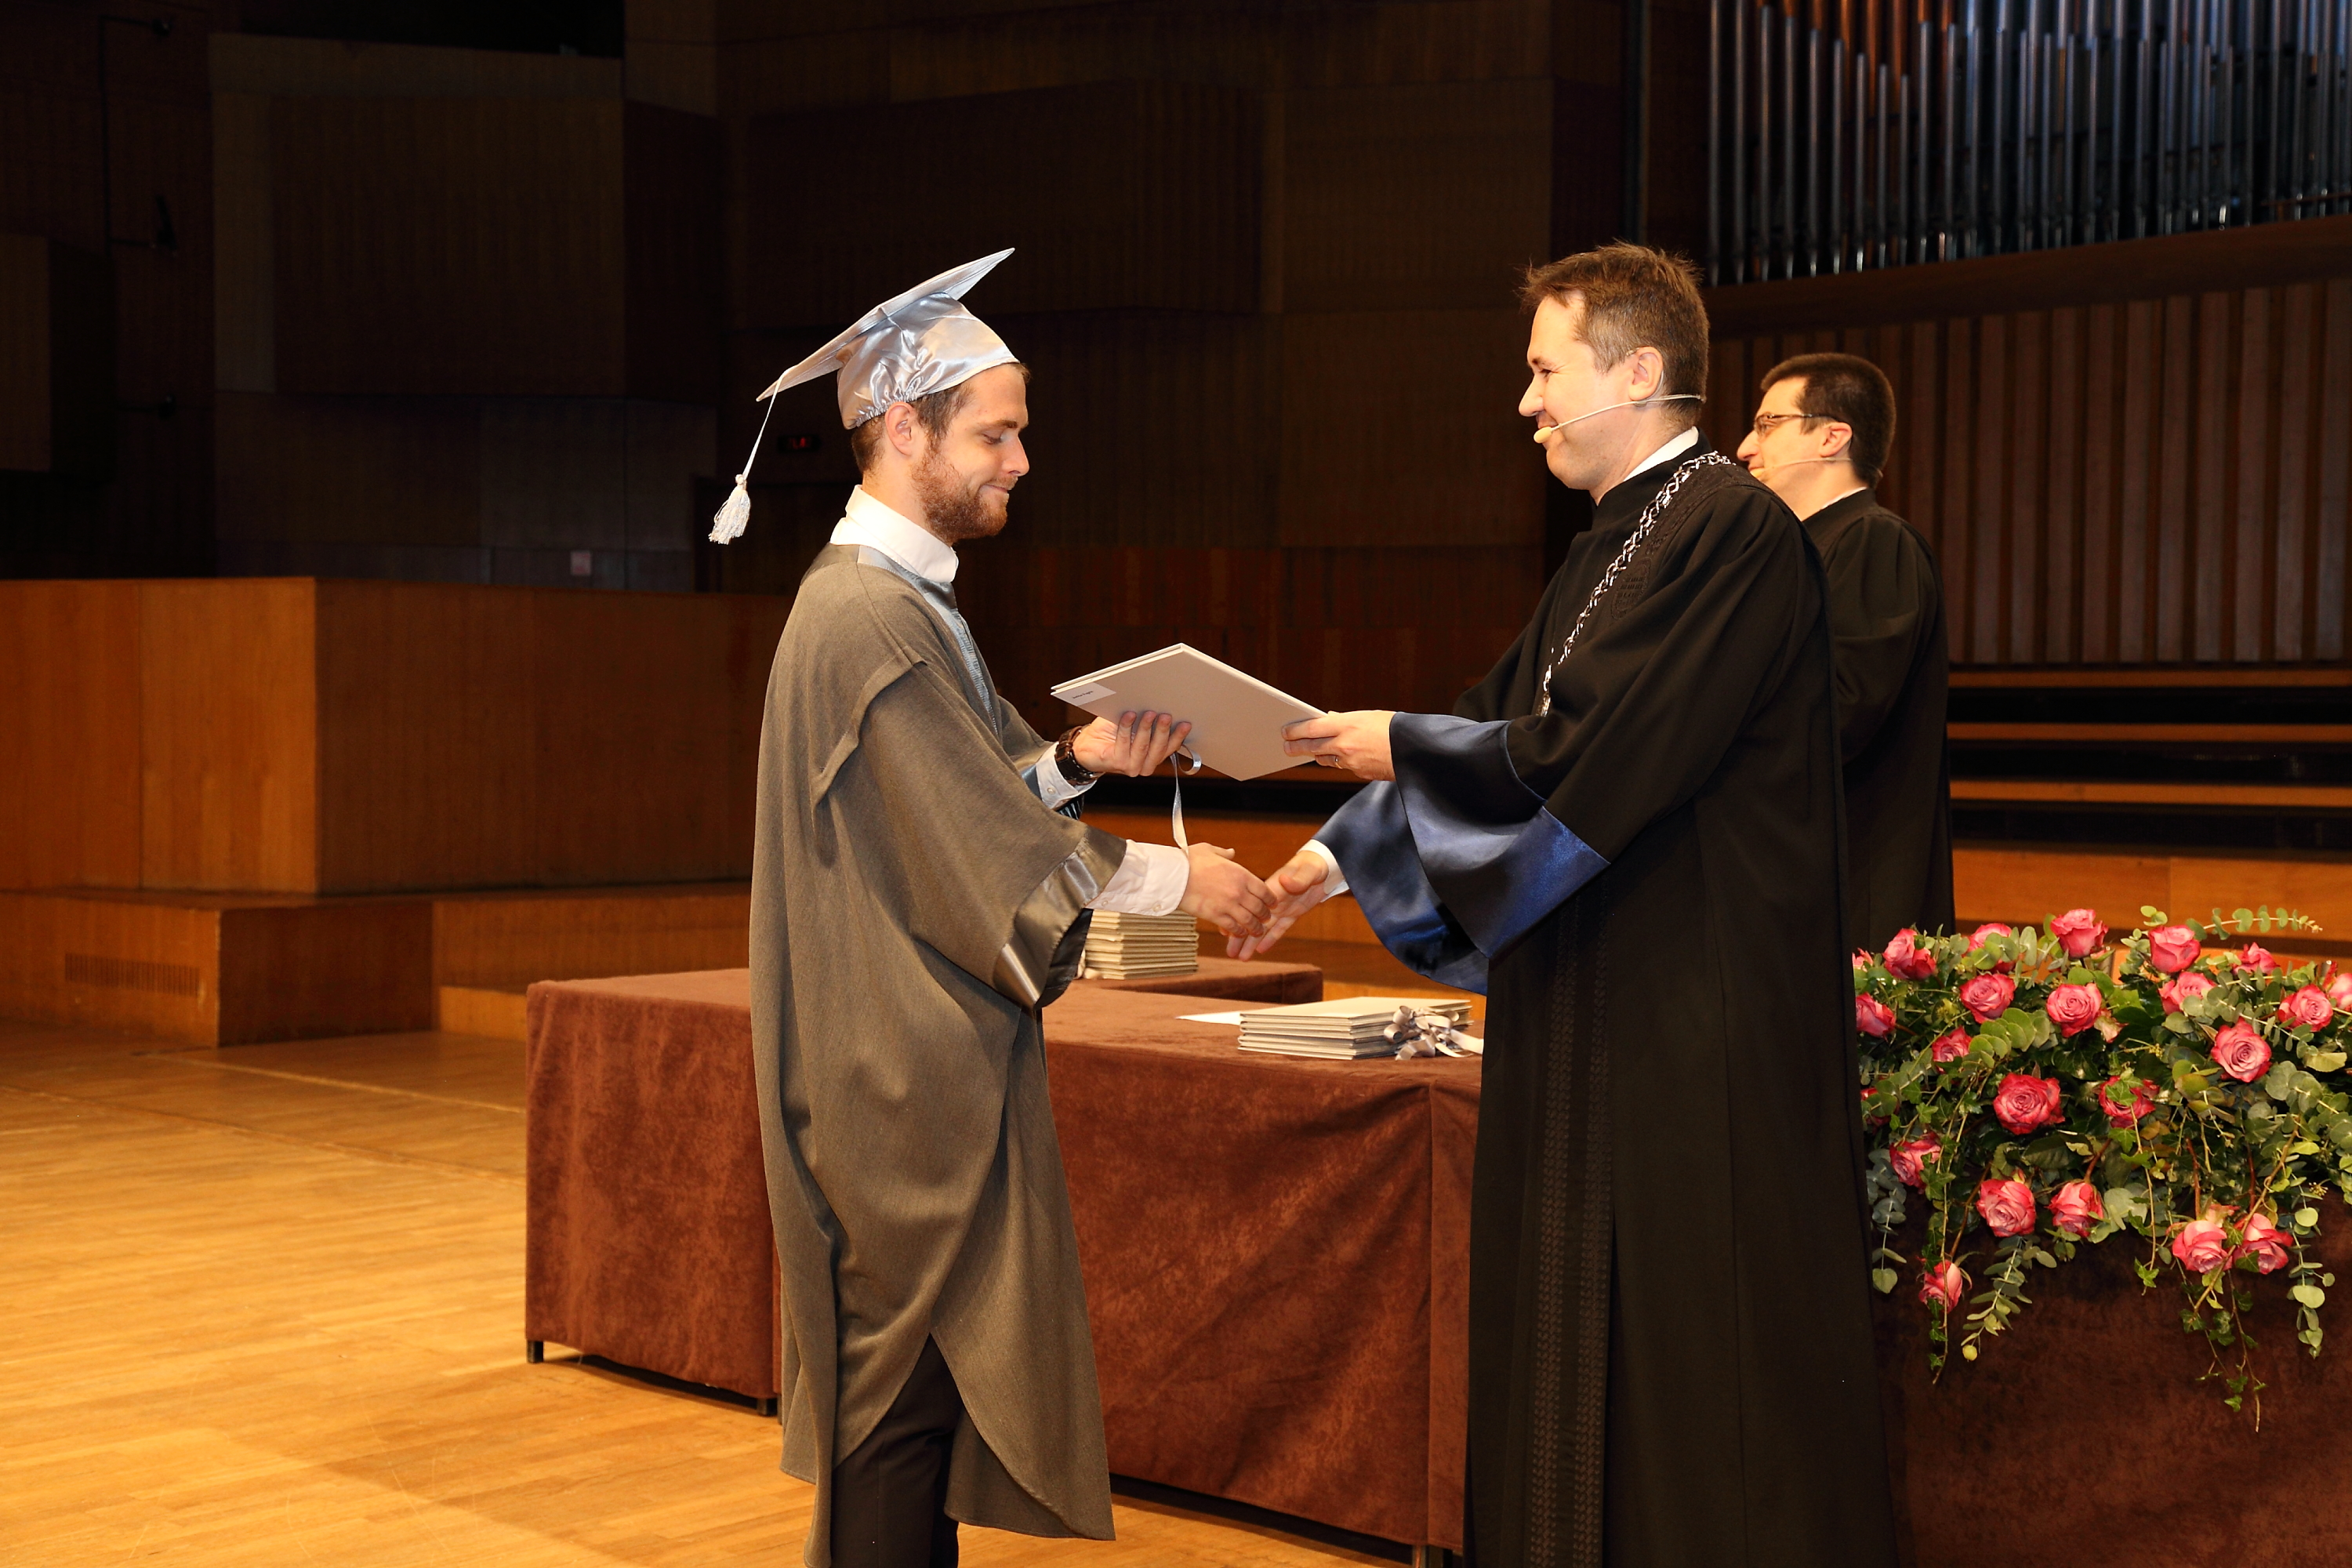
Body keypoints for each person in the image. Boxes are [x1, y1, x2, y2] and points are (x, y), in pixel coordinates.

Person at [1236, 244, 1896, 1566]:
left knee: (1698, 1355)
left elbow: (1592, 750)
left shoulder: (1729, 530)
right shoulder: (1624, 538)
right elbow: (1510, 718)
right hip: (1600, 998)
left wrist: (1396, 744)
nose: (1526, 402)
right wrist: (1321, 861)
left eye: (1546, 371)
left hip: (1693, 1012)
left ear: (1637, 371)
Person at [730, 252, 1273, 1568]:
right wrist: (1181, 881)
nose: (1021, 461)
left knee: (909, 1415)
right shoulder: (869, 615)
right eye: (996, 433)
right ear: (903, 429)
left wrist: (1079, 762)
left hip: (907, 1064)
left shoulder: (897, 601)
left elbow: (965, 797)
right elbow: (976, 851)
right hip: (895, 1079)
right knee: (895, 1420)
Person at [1735, 352, 1952, 953]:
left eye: (1768, 424)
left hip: (1851, 892)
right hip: (1787, 877)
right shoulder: (1793, 552)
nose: (1746, 447)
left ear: (1833, 437)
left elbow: (1839, 711)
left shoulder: (1873, 541)